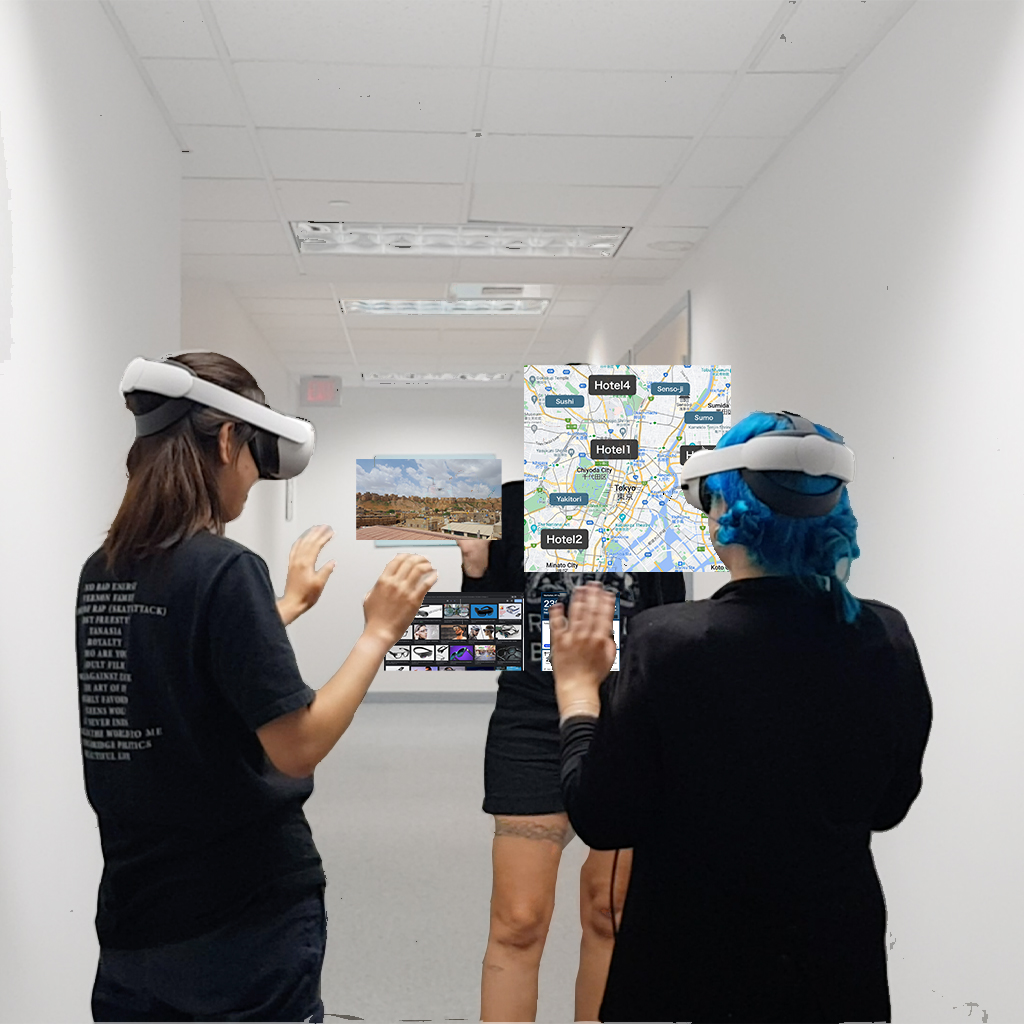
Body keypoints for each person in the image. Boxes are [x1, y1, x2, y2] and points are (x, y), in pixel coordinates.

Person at [77, 351, 437, 1023]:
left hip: (135, 918)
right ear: (224, 441)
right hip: (241, 918)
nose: (252, 483)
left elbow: (182, 670)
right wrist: (379, 632)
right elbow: (295, 744)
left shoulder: (105, 571)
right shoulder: (223, 566)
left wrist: (287, 608)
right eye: (252, 459)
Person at [550, 411, 933, 1024]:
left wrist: (577, 693)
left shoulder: (669, 641)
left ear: (721, 512)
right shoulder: (883, 633)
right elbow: (888, 806)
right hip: (835, 963)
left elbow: (602, 816)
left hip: (690, 966)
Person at [458, 479, 688, 1022]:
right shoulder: (508, 501)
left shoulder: (652, 507)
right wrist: (474, 571)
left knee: (611, 911)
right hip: (530, 716)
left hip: (627, 715)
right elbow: (478, 644)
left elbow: (670, 624)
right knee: (518, 919)